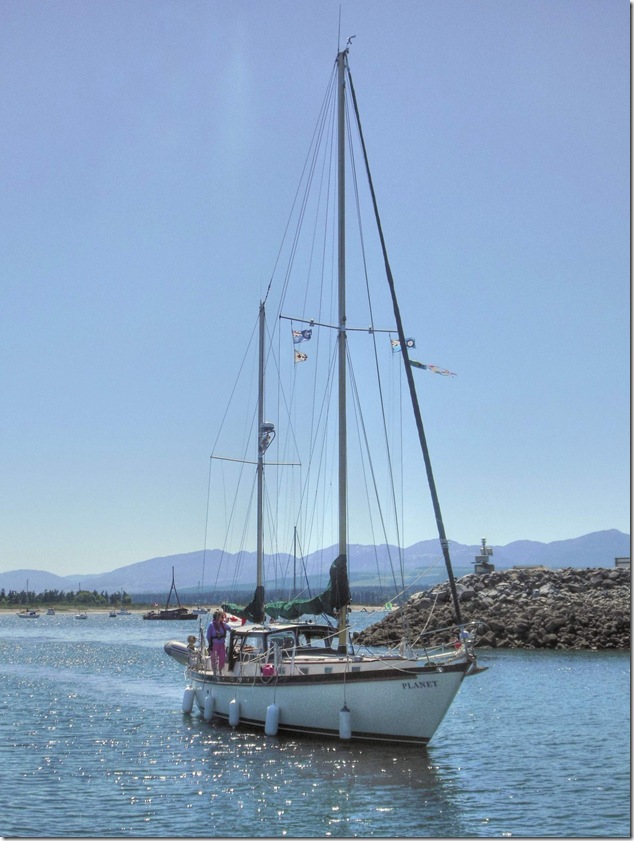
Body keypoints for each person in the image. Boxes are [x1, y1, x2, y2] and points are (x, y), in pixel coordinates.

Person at [206, 610, 231, 675]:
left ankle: (220, 670)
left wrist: (234, 632)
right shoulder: (211, 625)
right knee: (214, 658)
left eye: (221, 616)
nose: (220, 617)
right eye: (219, 616)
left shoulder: (223, 625)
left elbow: (230, 629)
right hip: (214, 644)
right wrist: (210, 644)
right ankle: (214, 671)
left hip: (221, 644)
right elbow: (208, 636)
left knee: (222, 658)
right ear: (216, 616)